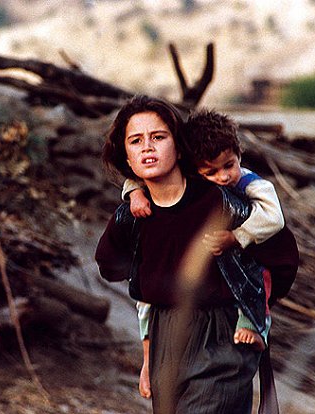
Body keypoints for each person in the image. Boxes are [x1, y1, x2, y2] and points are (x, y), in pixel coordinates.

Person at [95, 95, 266, 413]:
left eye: (158, 137)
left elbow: (265, 260)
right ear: (128, 159)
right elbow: (138, 287)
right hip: (166, 340)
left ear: (178, 145)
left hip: (222, 338)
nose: (147, 147)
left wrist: (256, 324)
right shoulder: (131, 218)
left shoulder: (221, 202)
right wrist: (149, 359)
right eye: (136, 141)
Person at [125, 109, 284, 355]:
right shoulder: (190, 179)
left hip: (243, 251)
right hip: (200, 256)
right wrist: (135, 193)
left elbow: (274, 218)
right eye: (211, 173)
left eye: (229, 165)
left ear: (238, 154)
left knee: (257, 277)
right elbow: (145, 177)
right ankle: (150, 341)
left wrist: (238, 236)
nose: (223, 177)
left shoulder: (251, 184)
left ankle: (255, 326)